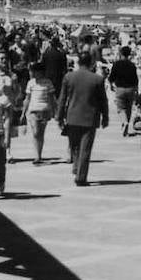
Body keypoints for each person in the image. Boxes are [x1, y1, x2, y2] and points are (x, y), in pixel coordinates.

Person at [56, 51, 109, 186]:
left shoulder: (69, 77)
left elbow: (62, 99)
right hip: (90, 118)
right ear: (91, 63)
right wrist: (105, 117)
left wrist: (59, 116)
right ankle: (81, 176)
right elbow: (103, 100)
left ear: (78, 62)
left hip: (72, 116)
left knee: (74, 146)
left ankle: (76, 167)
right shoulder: (97, 79)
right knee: (85, 148)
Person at [20, 62, 56, 165]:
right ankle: (36, 156)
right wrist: (23, 112)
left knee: (40, 133)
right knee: (35, 132)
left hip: (44, 110)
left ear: (40, 72)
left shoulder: (48, 82)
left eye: (35, 71)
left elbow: (51, 98)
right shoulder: (30, 83)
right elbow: (27, 98)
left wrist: (53, 110)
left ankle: (39, 155)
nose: (33, 73)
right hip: (32, 110)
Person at [108, 45, 140, 136]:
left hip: (120, 88)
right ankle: (126, 123)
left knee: (121, 108)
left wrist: (110, 85)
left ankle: (124, 122)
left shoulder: (116, 64)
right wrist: (136, 90)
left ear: (121, 53)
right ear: (129, 54)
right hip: (130, 89)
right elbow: (135, 79)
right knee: (129, 108)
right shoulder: (132, 65)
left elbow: (111, 77)